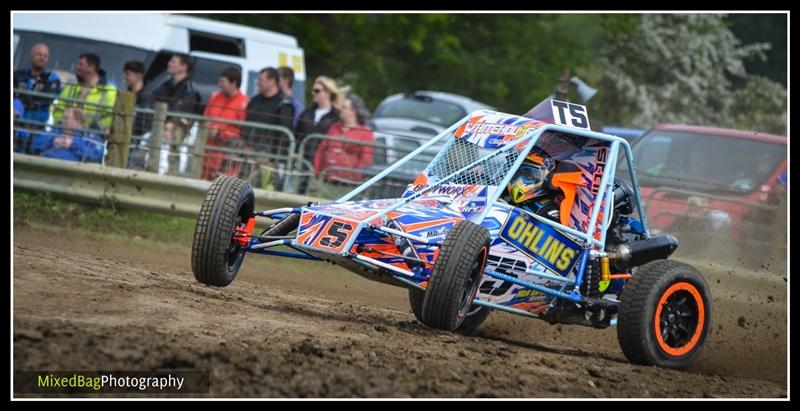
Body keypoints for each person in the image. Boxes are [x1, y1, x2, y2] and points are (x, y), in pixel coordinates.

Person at [151, 53, 202, 175]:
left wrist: (167, 126)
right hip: (158, 131)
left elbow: (182, 117)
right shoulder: (165, 85)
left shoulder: (189, 91)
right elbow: (152, 102)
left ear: (183, 67)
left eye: (173, 61)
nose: (169, 63)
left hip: (175, 137)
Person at [504, 149, 583, 227]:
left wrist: (508, 213)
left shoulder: (547, 211)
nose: (519, 181)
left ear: (545, 180)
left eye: (529, 175)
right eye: (517, 173)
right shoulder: (502, 190)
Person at [313, 94, 375, 183]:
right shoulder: (334, 128)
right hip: (325, 179)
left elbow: (365, 160)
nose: (340, 110)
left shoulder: (366, 134)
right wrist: (317, 172)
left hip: (348, 183)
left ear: (353, 112)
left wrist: (353, 178)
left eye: (344, 107)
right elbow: (321, 150)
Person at [201, 66, 249, 180]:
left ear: (233, 83)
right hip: (207, 153)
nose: (219, 84)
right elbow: (205, 118)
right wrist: (208, 127)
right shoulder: (215, 97)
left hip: (226, 157)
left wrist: (221, 133)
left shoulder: (243, 103)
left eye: (222, 81)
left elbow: (243, 132)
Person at [52, 53, 117, 133]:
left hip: (92, 139)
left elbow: (110, 116)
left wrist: (93, 129)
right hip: (64, 133)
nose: (77, 67)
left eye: (81, 64)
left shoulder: (109, 91)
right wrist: (61, 122)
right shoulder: (72, 85)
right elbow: (59, 107)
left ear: (91, 68)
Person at [13, 43, 61, 137]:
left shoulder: (53, 79)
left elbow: (41, 100)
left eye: (45, 56)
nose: (42, 58)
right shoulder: (17, 75)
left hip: (36, 128)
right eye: (38, 54)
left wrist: (19, 98)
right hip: (14, 122)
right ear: (30, 55)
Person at [30, 107, 105, 163]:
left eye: (66, 118)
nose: (62, 120)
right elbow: (35, 145)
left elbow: (97, 155)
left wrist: (72, 145)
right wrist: (52, 141)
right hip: (46, 165)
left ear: (77, 121)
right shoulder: (54, 130)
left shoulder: (91, 136)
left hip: (73, 172)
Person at [294, 76, 341, 143]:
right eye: (313, 90)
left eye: (316, 91)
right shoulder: (306, 113)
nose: (313, 93)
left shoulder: (337, 116)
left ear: (328, 93)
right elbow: (296, 135)